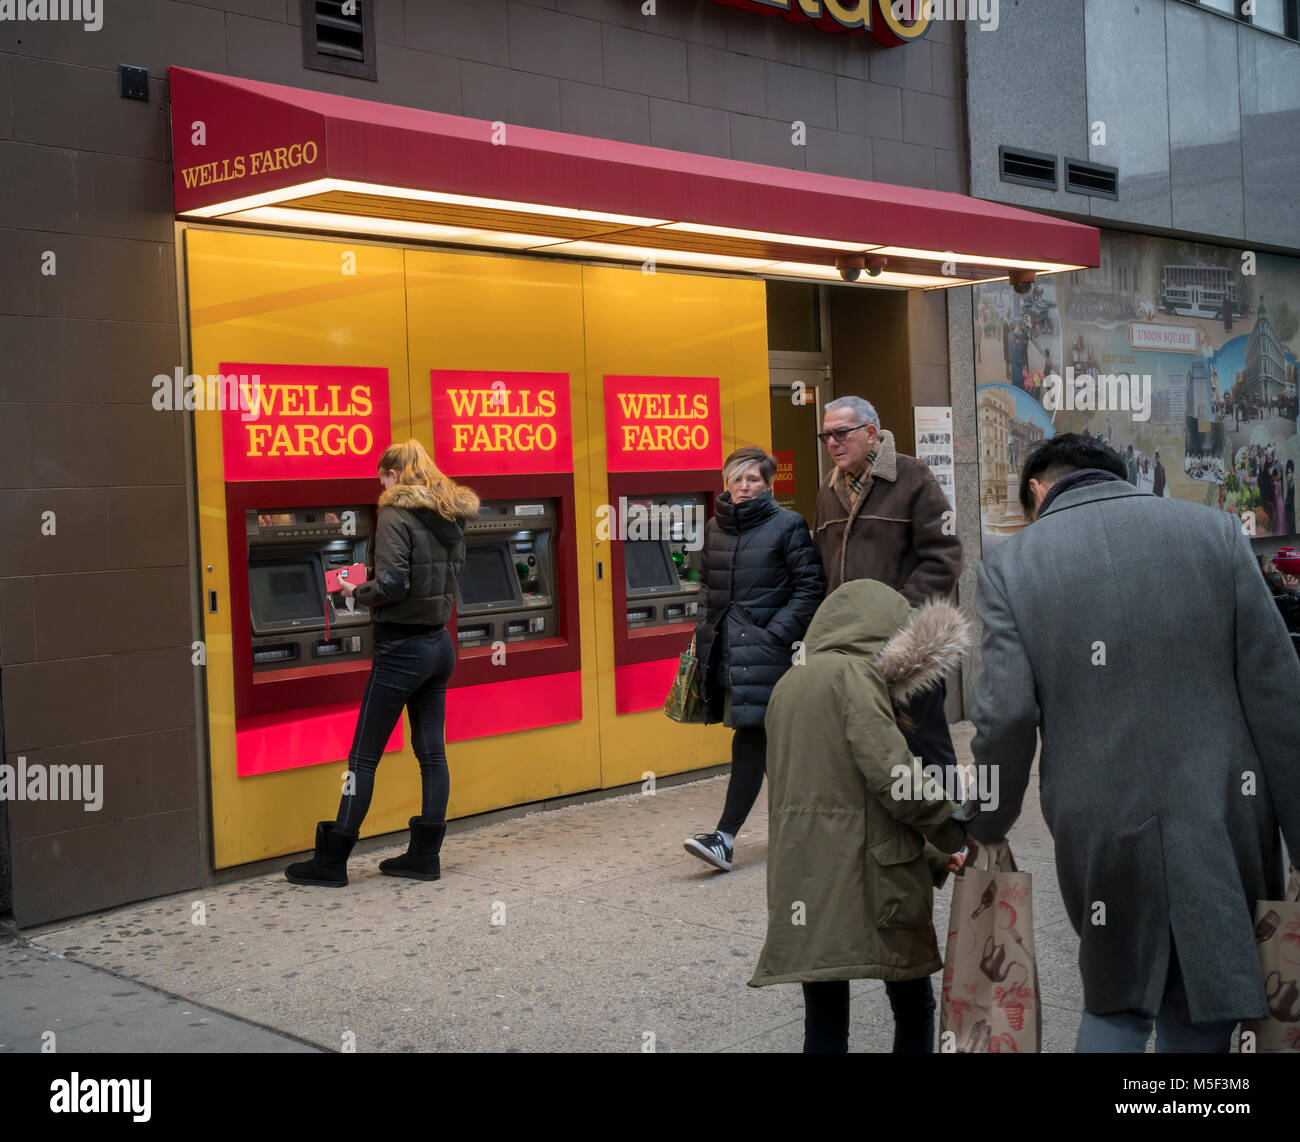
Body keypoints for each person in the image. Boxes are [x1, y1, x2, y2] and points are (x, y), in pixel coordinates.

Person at [965, 432, 1300, 1052]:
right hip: (1221, 810)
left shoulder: (1011, 565)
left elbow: (1005, 716)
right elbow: (1281, 698)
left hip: (1100, 821)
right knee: (1206, 1003)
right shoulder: (1216, 534)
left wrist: (987, 819)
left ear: (1039, 488)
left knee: (1116, 995)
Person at [750, 580, 971, 1052]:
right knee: (913, 1002)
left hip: (805, 878)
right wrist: (954, 828)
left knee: (825, 1020)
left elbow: (845, 792)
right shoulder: (853, 677)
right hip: (872, 879)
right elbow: (896, 780)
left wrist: (933, 855)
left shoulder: (790, 682)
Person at [286, 439, 480, 887]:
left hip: (401, 650)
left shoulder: (395, 513)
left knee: (363, 757)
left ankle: (332, 861)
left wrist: (356, 593)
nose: (381, 486)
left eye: (382, 478)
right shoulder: (450, 514)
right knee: (432, 753)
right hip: (439, 645)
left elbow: (392, 581)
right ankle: (424, 857)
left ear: (395, 475)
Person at [813, 395, 964, 803]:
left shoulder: (914, 477)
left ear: (871, 433)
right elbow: (820, 567)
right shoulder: (829, 490)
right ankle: (893, 829)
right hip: (849, 647)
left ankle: (955, 826)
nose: (833, 442)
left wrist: (895, 613)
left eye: (842, 432)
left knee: (926, 742)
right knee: (867, 744)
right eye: (827, 434)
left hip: (907, 645)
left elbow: (945, 556)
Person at [684, 446, 825, 871]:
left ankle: (725, 838)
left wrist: (775, 635)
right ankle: (809, 829)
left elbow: (809, 588)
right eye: (736, 479)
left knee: (752, 737)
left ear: (768, 483)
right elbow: (707, 585)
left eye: (753, 480)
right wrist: (705, 630)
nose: (743, 487)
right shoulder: (715, 527)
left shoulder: (788, 525)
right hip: (728, 652)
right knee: (769, 743)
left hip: (769, 654)